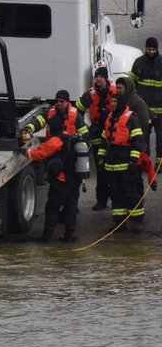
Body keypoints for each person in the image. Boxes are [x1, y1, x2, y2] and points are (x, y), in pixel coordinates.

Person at [24, 112, 82, 243]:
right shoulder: (70, 137)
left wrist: (24, 152)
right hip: (75, 181)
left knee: (52, 208)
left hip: (61, 181)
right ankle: (69, 235)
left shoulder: (55, 141)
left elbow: (39, 153)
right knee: (71, 208)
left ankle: (47, 236)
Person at [100, 91, 147, 233]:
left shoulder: (131, 119)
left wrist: (133, 161)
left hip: (126, 164)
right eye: (111, 102)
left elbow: (137, 141)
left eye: (114, 102)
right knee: (115, 194)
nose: (112, 104)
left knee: (131, 193)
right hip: (112, 164)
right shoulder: (109, 118)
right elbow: (104, 140)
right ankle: (119, 222)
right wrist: (101, 158)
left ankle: (137, 221)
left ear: (120, 103)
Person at [77, 67, 118, 211]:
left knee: (114, 170)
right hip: (97, 136)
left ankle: (117, 202)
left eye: (101, 76)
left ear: (106, 78)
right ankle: (101, 200)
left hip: (113, 135)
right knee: (101, 170)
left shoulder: (115, 92)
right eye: (96, 76)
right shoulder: (90, 94)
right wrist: (84, 130)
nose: (98, 79)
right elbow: (78, 111)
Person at [130, 36, 162, 155]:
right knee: (143, 137)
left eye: (153, 49)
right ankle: (145, 162)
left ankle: (160, 164)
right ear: (146, 48)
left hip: (160, 110)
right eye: (149, 49)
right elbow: (132, 83)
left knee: (161, 138)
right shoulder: (139, 63)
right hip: (144, 109)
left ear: (157, 49)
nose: (151, 52)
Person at [22, 89, 87, 139]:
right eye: (57, 101)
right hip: (53, 148)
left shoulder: (76, 115)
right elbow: (39, 121)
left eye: (61, 101)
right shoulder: (50, 112)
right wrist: (29, 128)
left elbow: (84, 134)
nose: (59, 103)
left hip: (70, 149)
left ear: (67, 102)